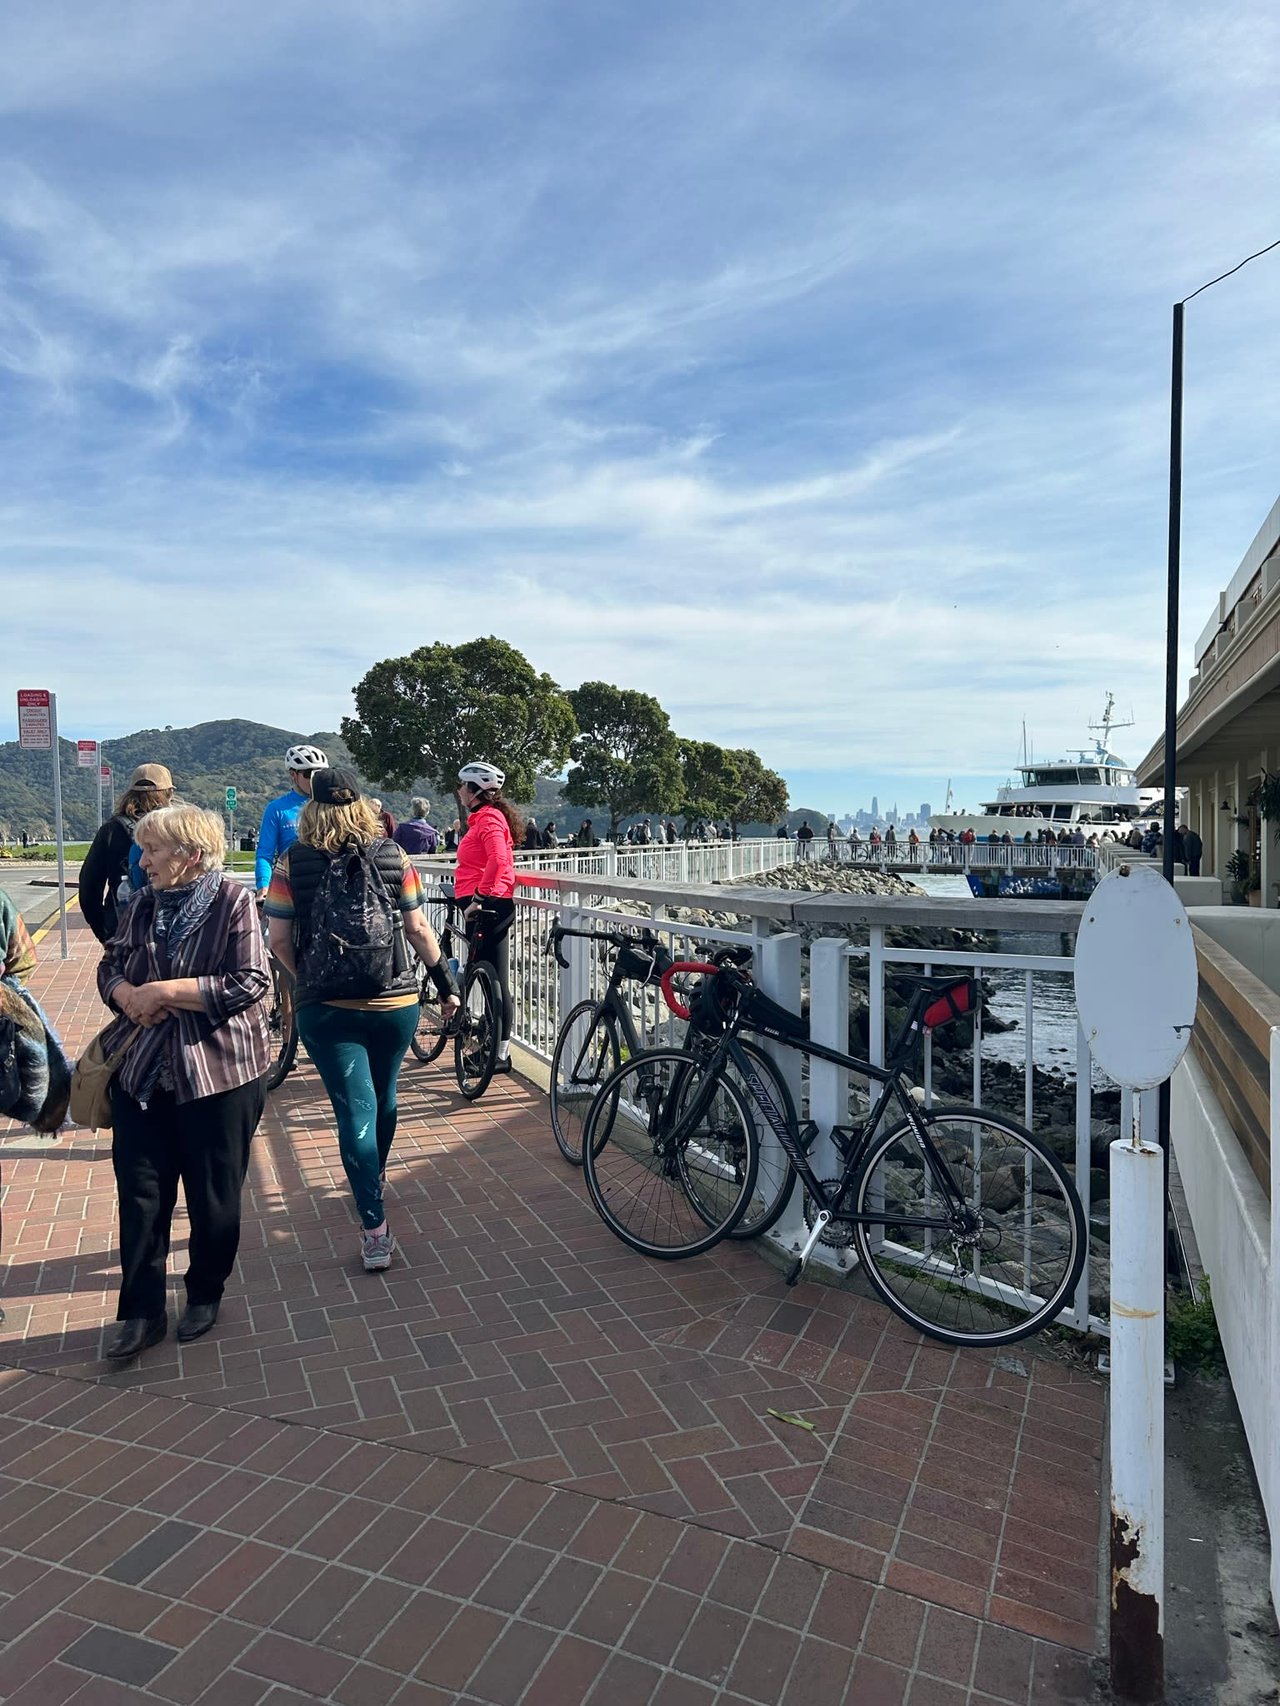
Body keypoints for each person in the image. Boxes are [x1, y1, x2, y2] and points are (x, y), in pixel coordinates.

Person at [97, 804, 272, 1359]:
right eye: (143, 850)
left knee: (212, 1195)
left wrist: (166, 992)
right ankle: (142, 1311)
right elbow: (111, 966)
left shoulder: (233, 901)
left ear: (190, 856)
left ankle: (204, 1290)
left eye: (152, 851)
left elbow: (249, 981)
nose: (142, 861)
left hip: (218, 1072)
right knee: (141, 1194)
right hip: (145, 1070)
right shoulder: (142, 904)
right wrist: (127, 995)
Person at [266, 770, 458, 1272]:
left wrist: (306, 977)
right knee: (385, 1096)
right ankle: (371, 1178)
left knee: (355, 1109)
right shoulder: (395, 856)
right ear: (363, 809)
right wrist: (445, 985)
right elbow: (418, 929)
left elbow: (278, 942)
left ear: (312, 809)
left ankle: (374, 1228)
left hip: (327, 1008)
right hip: (394, 1000)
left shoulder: (291, 862)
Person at [453, 761, 521, 1073]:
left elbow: (497, 859)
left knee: (495, 981)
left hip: (487, 905)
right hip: (483, 902)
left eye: (462, 785)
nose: (459, 790)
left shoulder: (490, 819)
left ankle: (499, 1055)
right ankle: (492, 1049)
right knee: (487, 976)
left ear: (474, 790)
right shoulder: (482, 818)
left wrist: (479, 898)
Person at [79, 765, 176, 944]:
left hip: (122, 929)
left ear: (129, 794)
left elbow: (88, 888)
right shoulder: (176, 829)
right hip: (170, 930)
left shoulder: (111, 830)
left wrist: (105, 932)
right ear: (169, 793)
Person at [255, 744, 328, 900]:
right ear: (293, 775)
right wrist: (263, 886)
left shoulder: (330, 805)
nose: (315, 779)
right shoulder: (276, 809)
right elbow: (265, 853)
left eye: (320, 773)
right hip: (290, 885)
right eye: (309, 774)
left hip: (325, 885)